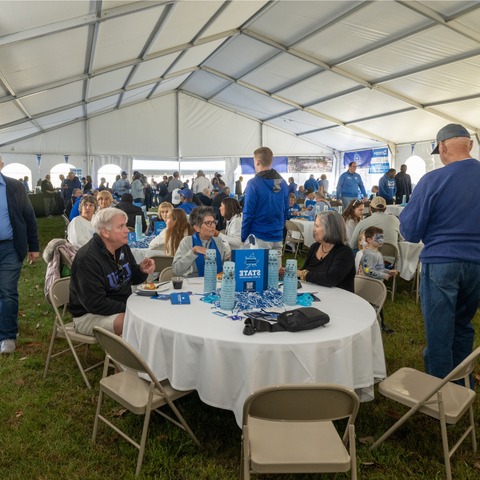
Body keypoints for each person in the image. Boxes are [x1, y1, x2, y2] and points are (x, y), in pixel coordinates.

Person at [399, 123, 480, 385]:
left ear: (442, 147)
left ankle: (441, 398)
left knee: (439, 333)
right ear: (470, 144)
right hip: (477, 263)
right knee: (463, 325)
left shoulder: (433, 179)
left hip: (441, 261)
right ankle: (461, 385)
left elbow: (409, 232)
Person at [69, 208, 154, 336]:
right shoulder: (87, 259)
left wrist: (141, 270)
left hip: (119, 307)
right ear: (105, 232)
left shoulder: (122, 247)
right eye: (121, 226)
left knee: (152, 311)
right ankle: (134, 354)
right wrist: (131, 307)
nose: (127, 230)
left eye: (125, 225)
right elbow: (96, 304)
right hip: (88, 315)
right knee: (136, 322)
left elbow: (131, 278)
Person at [0, 158, 39, 354]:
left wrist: (34, 245)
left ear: (1, 165)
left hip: (10, 247)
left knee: (7, 291)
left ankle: (7, 336)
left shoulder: (15, 187)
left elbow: (29, 217)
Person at [280, 211, 355, 293]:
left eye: (317, 226)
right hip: (315, 295)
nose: (313, 229)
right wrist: (290, 273)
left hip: (339, 299)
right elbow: (305, 271)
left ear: (329, 229)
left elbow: (331, 278)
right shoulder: (315, 247)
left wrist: (301, 274)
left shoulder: (344, 252)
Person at [241, 147, 288, 255]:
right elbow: (285, 211)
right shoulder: (282, 183)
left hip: (259, 235)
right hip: (277, 234)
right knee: (275, 271)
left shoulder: (254, 183)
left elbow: (248, 212)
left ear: (257, 161)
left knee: (258, 270)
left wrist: (243, 235)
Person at [359, 226, 398, 334]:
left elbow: (378, 268)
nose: (381, 240)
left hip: (377, 285)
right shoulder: (368, 254)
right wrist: (382, 275)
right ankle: (374, 327)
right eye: (378, 238)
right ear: (369, 240)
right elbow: (367, 270)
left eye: (382, 238)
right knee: (372, 308)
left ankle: (379, 326)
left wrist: (388, 271)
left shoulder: (377, 253)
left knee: (378, 307)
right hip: (370, 286)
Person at [172, 206, 230, 277]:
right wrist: (192, 252)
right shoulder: (187, 242)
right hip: (191, 285)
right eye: (208, 223)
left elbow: (228, 265)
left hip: (216, 284)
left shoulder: (218, 242)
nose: (213, 226)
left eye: (213, 222)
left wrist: (232, 258)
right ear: (197, 228)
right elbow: (176, 271)